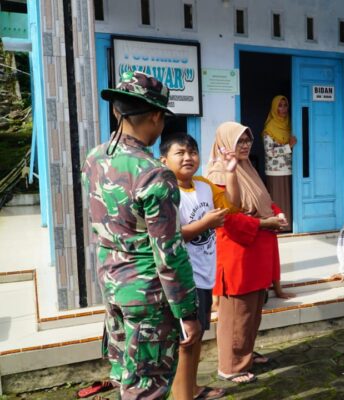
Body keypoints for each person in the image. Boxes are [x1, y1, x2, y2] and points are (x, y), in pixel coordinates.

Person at [81, 71, 200, 399]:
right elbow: (168, 252)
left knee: (124, 376)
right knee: (147, 387)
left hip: (112, 287)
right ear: (157, 117)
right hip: (148, 297)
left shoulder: (95, 158)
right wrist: (187, 313)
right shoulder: (154, 173)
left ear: (118, 112)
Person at [206, 121, 291, 384]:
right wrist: (264, 223)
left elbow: (263, 198)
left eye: (247, 140)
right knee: (236, 314)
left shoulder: (247, 168)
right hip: (237, 253)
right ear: (224, 144)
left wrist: (277, 212)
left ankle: (245, 354)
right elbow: (227, 219)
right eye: (238, 141)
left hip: (256, 250)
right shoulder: (217, 176)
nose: (244, 145)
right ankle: (230, 366)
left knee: (253, 310)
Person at [160, 133, 239, 400]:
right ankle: (183, 396)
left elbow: (233, 207)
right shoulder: (165, 191)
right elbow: (168, 236)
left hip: (204, 276)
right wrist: (205, 223)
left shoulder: (204, 185)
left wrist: (230, 173)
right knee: (186, 341)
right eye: (180, 153)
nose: (188, 157)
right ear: (164, 159)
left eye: (192, 152)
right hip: (182, 279)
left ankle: (191, 389)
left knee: (197, 338)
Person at [263, 95, 296, 232]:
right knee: (278, 200)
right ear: (274, 108)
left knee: (288, 199)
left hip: (290, 169)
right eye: (280, 105)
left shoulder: (290, 124)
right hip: (275, 171)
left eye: (285, 105)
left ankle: (289, 227)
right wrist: (289, 146)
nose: (283, 109)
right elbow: (269, 151)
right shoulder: (269, 128)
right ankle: (279, 227)